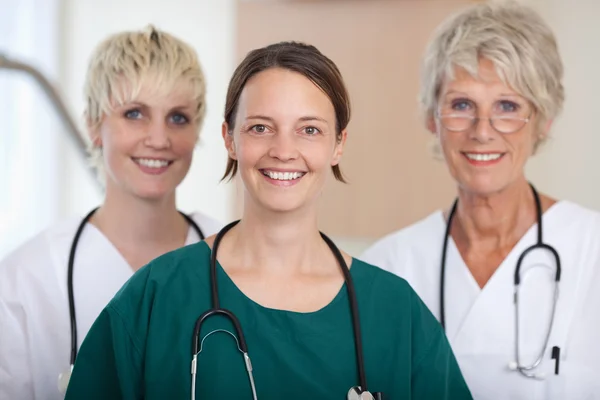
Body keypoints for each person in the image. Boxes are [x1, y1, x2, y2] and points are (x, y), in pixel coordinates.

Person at [63, 41, 472, 399]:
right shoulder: (156, 298)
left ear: (338, 144)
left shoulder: (394, 311)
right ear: (230, 138)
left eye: (309, 130)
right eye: (261, 127)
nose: (283, 150)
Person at [361, 2, 600, 399]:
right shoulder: (388, 267)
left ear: (543, 120)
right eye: (461, 105)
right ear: (432, 118)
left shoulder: (593, 250)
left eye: (507, 106)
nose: (482, 131)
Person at [0, 26, 223, 400]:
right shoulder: (25, 280)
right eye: (134, 113)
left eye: (178, 117)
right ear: (93, 124)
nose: (158, 138)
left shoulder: (236, 258)